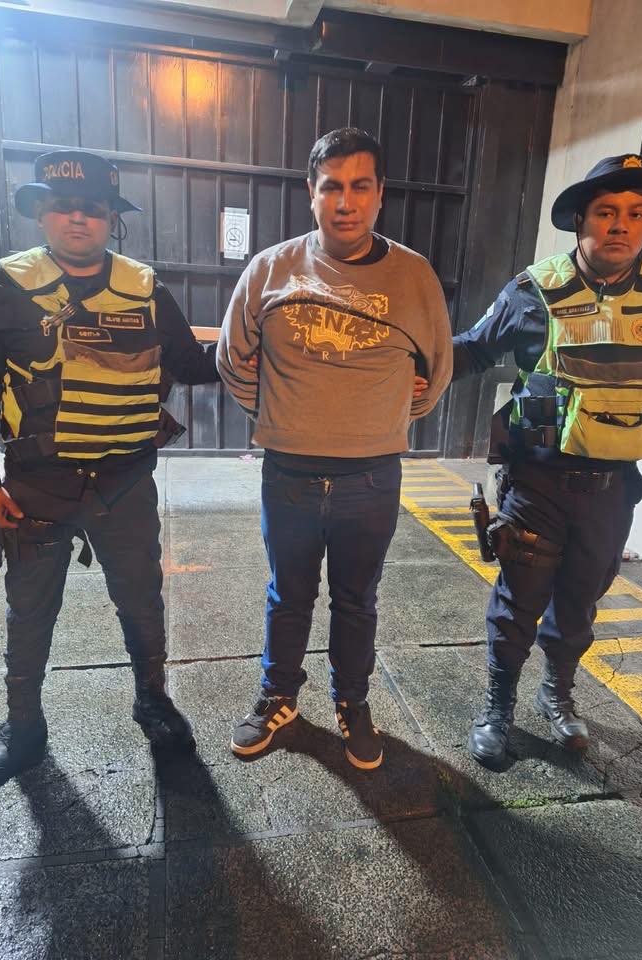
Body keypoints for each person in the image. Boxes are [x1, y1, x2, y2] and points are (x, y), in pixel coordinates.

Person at [0, 150, 220, 790]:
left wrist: (260, 341)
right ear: (42, 214)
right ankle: (23, 726)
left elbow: (192, 363)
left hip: (125, 482)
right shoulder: (2, 284)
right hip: (35, 485)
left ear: (110, 219)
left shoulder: (145, 286)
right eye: (63, 206)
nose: (78, 218)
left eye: (93, 209)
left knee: (142, 600)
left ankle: (153, 702)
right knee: (28, 610)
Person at [217, 127, 453, 770]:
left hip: (371, 480)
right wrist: (282, 415)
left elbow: (436, 373)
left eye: (359, 187)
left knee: (356, 600)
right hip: (288, 473)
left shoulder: (414, 277)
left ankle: (352, 702)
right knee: (287, 595)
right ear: (311, 193)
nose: (345, 202)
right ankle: (278, 698)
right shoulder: (270, 269)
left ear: (380, 194)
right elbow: (232, 359)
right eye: (331, 187)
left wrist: (382, 419)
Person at [452, 154, 642, 769]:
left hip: (612, 489)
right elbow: (471, 351)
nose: (621, 225)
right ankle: (497, 706)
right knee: (518, 601)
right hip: (537, 484)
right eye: (606, 212)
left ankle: (557, 693)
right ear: (581, 219)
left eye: (636, 213)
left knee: (580, 601)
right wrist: (403, 367)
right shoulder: (533, 290)